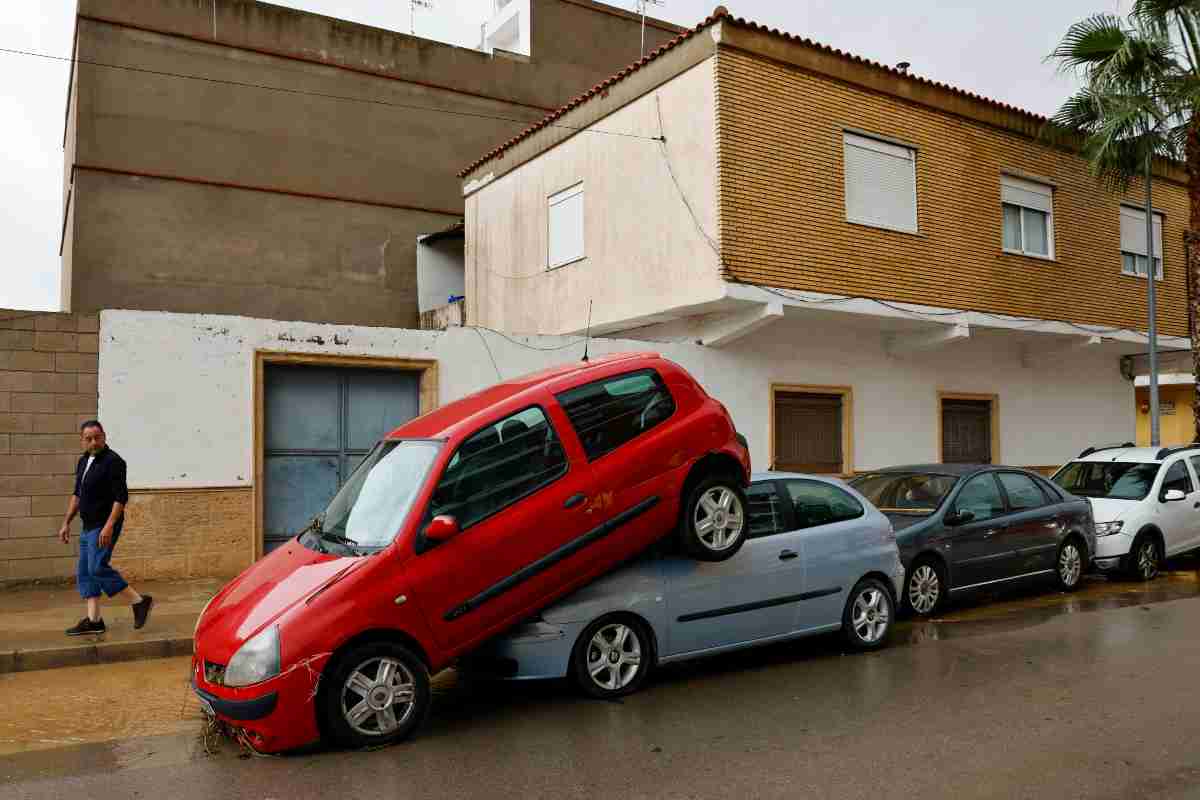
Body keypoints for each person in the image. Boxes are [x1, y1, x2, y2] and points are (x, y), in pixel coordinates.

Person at [59, 420, 153, 635]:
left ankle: (139, 601)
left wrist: (109, 526)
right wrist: (66, 522)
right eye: (88, 439)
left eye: (97, 437)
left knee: (97, 567)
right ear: (82, 441)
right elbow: (77, 494)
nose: (93, 442)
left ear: (104, 436)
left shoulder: (114, 462)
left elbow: (120, 498)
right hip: (88, 524)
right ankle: (94, 621)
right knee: (85, 572)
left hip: (104, 525)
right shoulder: (84, 461)